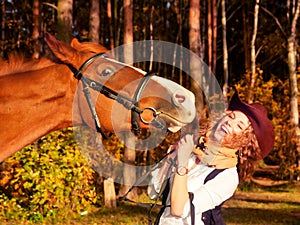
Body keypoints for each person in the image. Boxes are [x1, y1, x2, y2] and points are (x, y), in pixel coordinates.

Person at [147, 90, 275, 225]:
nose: (229, 123)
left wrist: (182, 164)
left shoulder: (228, 177)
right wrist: (172, 157)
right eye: (231, 116)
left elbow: (179, 209)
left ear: (244, 141)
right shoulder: (192, 152)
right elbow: (153, 193)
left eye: (239, 125)